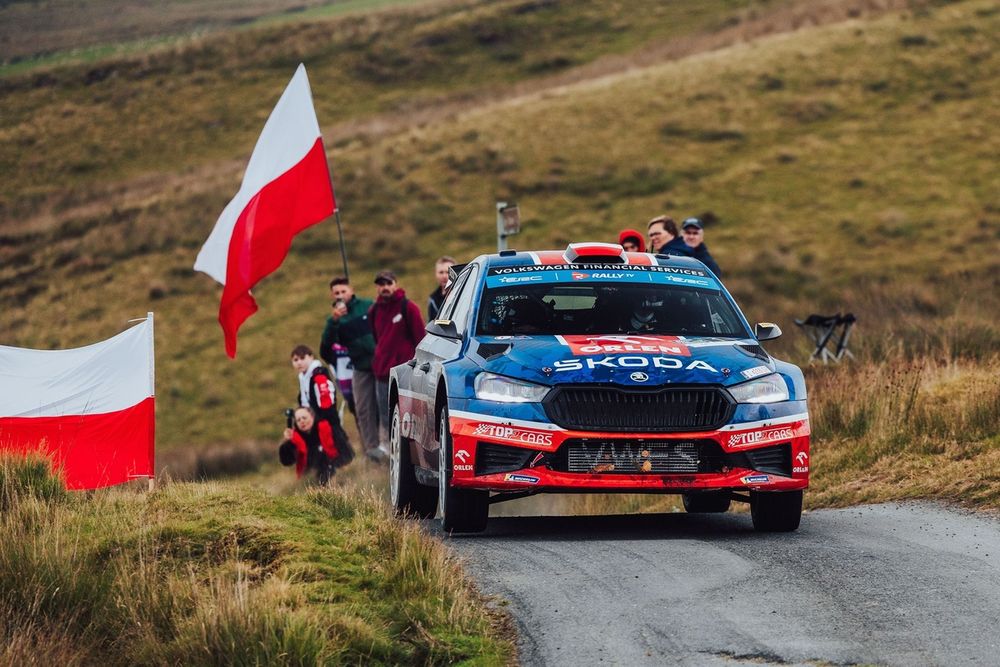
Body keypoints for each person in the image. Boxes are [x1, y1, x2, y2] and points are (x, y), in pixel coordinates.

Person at [320, 277, 382, 462]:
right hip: (360, 368)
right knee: (363, 410)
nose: (340, 296)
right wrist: (334, 322)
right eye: (336, 293)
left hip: (379, 364)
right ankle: (371, 451)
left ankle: (389, 446)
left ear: (351, 290)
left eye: (343, 291)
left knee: (383, 406)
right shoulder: (335, 320)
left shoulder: (368, 306)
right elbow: (326, 348)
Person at [369, 270, 425, 453]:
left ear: (395, 284)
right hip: (382, 372)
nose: (385, 287)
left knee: (407, 413)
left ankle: (411, 449)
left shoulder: (408, 307)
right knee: (386, 415)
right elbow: (377, 338)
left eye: (388, 283)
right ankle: (389, 449)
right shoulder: (374, 310)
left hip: (404, 372)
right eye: (381, 284)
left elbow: (420, 338)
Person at [278, 406, 353, 485]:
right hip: (308, 480)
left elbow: (347, 453)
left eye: (304, 418)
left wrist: (341, 467)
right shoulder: (295, 438)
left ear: (312, 417)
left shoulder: (329, 429)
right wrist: (286, 442)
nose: (302, 421)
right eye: (298, 420)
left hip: (335, 473)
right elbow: (286, 462)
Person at [290, 344, 337, 422]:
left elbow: (327, 400)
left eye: (302, 358)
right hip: (311, 418)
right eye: (296, 360)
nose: (299, 363)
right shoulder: (302, 377)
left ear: (311, 357)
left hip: (324, 419)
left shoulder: (319, 374)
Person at [427, 256, 455, 321]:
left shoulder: (462, 293)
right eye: (441, 272)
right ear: (436, 274)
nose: (444, 276)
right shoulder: (432, 299)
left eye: (448, 272)